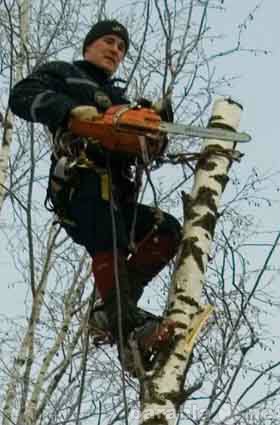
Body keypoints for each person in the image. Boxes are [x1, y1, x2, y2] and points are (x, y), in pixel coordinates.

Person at [9, 19, 181, 369]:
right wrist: (69, 111)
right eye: (109, 41)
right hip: (80, 183)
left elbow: (137, 146)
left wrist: (151, 132)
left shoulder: (121, 99)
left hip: (119, 197)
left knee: (166, 230)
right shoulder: (64, 73)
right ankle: (126, 321)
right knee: (109, 232)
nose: (115, 50)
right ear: (90, 45)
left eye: (121, 47)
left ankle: (112, 313)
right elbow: (21, 96)